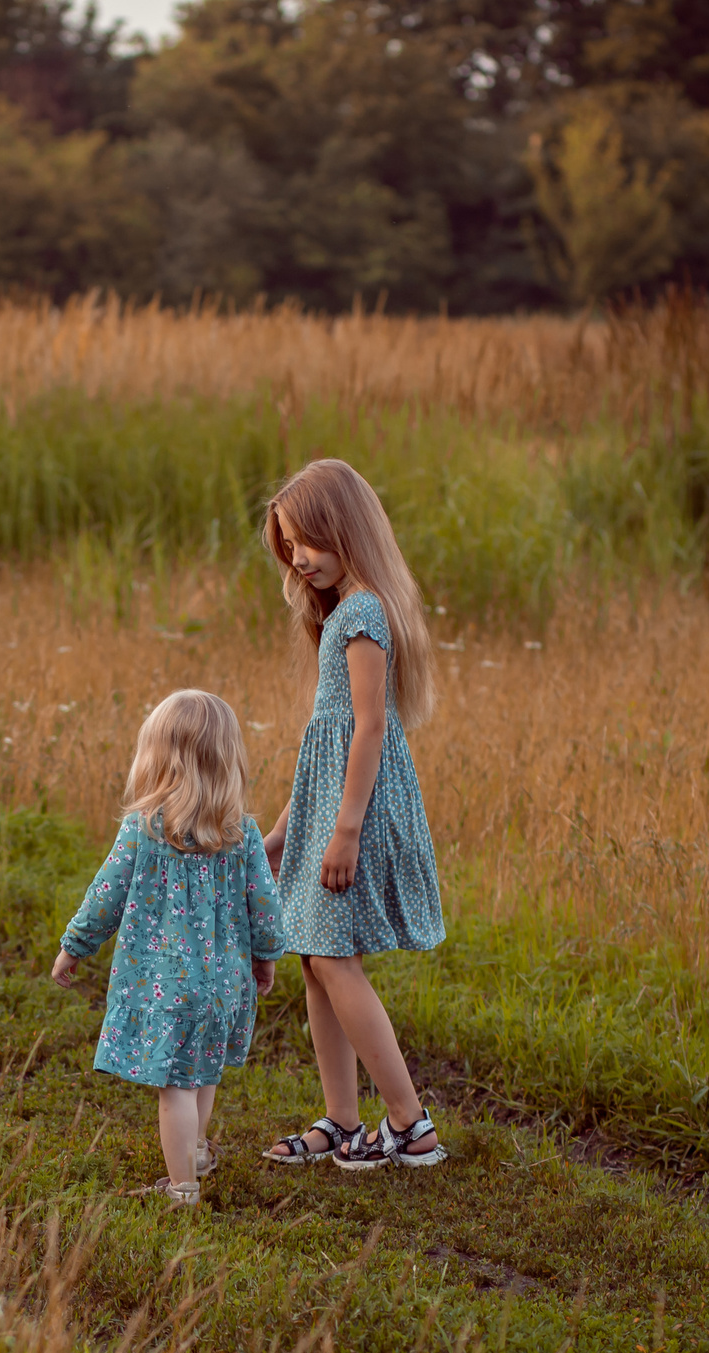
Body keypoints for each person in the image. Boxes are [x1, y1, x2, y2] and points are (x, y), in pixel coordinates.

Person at [254, 459, 449, 1171]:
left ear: (346, 528)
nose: (298, 557)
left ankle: (408, 1121)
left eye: (307, 539)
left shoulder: (364, 612)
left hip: (357, 816)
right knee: (315, 956)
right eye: (289, 545)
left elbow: (367, 730)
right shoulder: (345, 611)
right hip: (336, 806)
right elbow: (327, 746)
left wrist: (342, 832)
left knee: (334, 956)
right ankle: (341, 1121)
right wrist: (284, 831)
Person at [51, 690, 288, 1207]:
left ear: (155, 759)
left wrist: (75, 946)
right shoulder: (241, 834)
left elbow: (104, 898)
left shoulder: (144, 831)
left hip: (166, 989)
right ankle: (197, 1150)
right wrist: (265, 960)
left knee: (174, 1088)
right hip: (225, 985)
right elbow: (265, 908)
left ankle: (182, 1188)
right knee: (201, 1072)